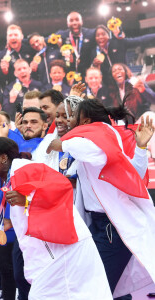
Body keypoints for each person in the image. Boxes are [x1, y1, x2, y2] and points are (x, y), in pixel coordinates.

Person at [0, 137, 112, 300]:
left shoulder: (24, 169)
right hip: (54, 251)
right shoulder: (12, 177)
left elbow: (62, 188)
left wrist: (27, 200)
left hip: (64, 251)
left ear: (3, 158)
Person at [48, 98, 155, 299]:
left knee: (99, 289)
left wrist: (62, 144)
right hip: (97, 225)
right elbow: (132, 171)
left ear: (86, 121)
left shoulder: (99, 135)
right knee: (103, 288)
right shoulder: (101, 137)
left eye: (71, 116)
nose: (65, 120)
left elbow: (92, 150)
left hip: (111, 229)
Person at [83, 25, 155, 85]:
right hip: (110, 86)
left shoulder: (119, 43)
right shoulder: (94, 53)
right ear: (95, 38)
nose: (101, 37)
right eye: (98, 35)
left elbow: (140, 40)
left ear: (109, 35)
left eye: (103, 34)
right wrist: (95, 65)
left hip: (126, 80)